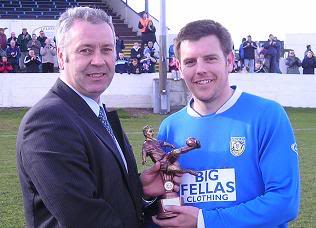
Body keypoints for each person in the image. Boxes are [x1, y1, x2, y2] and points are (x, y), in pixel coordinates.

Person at [16, 7, 175, 228]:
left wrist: (140, 190)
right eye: (85, 50)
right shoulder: (48, 122)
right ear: (62, 57)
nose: (99, 60)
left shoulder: (98, 113)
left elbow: (105, 192)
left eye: (106, 49)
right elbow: (86, 219)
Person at [153, 19, 300, 228]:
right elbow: (165, 196)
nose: (200, 69)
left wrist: (205, 221)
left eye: (210, 59)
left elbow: (284, 202)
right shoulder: (170, 128)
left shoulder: (267, 115)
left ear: (229, 60)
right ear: (179, 67)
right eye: (190, 62)